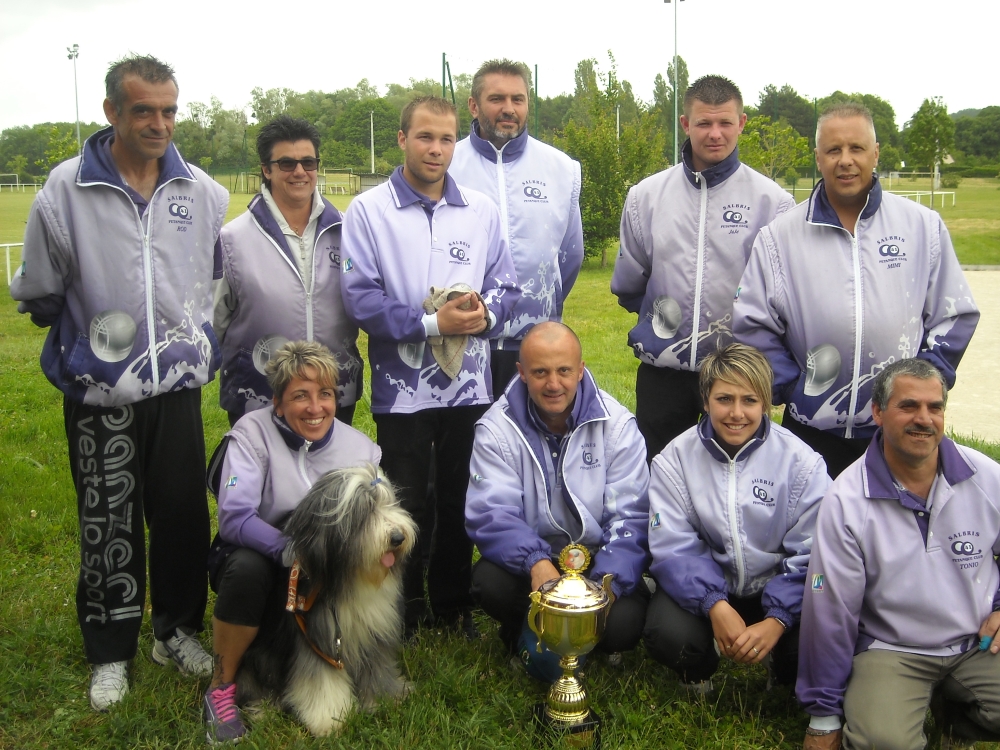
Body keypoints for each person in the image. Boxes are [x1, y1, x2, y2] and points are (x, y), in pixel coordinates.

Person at [9, 55, 228, 711]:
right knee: (109, 523)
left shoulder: (204, 192)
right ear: (113, 112)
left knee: (185, 517)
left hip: (180, 391)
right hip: (101, 395)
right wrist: (91, 347)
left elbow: (216, 284)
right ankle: (110, 651)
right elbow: (41, 291)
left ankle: (177, 631)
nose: (159, 124)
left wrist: (195, 343)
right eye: (143, 111)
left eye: (168, 111)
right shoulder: (63, 190)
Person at [340, 96, 519, 638]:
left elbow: (508, 287)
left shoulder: (482, 210)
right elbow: (360, 297)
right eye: (424, 137)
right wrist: (434, 324)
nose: (436, 149)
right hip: (403, 390)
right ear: (401, 139)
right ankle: (405, 605)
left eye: (445, 139)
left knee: (462, 492)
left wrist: (486, 312)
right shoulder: (369, 211)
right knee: (405, 497)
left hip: (469, 387)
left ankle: (452, 602)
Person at [733, 102, 979, 478]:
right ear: (818, 157)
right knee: (811, 535)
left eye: (856, 148)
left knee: (894, 533)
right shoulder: (780, 237)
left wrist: (919, 389)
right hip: (811, 432)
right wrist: (795, 388)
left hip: (895, 432)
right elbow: (752, 323)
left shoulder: (922, 227)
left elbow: (955, 313)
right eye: (833, 150)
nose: (845, 160)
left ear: (875, 152)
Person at [797, 358, 1000, 749]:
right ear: (878, 412)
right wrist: (823, 717)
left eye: (934, 407)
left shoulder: (986, 477)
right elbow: (831, 614)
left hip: (976, 643)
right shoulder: (846, 499)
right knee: (880, 742)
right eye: (908, 406)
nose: (923, 419)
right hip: (891, 649)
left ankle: (956, 718)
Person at [202, 341, 381, 743]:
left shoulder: (361, 450)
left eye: (326, 394)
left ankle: (361, 674)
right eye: (300, 395)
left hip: (330, 566)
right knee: (246, 569)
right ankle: (222, 686)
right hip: (263, 559)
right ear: (277, 403)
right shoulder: (251, 434)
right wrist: (294, 551)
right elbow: (235, 517)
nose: (316, 408)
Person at [611, 75, 795, 462]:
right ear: (685, 124)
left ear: (741, 123)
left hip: (738, 375)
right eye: (704, 123)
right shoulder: (645, 196)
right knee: (659, 473)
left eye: (725, 123)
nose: (715, 134)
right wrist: (668, 331)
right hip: (664, 374)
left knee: (737, 478)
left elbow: (782, 296)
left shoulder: (773, 202)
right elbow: (631, 284)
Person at [465, 322, 650, 678]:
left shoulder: (619, 427)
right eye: (540, 372)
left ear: (580, 369)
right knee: (487, 583)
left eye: (564, 370)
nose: (553, 384)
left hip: (597, 562)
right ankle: (533, 629)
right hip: (537, 564)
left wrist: (600, 592)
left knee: (624, 626)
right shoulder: (496, 430)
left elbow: (632, 517)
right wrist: (537, 564)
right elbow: (491, 513)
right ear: (521, 373)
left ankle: (568, 638)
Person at [643, 344, 830, 694]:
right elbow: (672, 547)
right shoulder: (675, 460)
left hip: (775, 587)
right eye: (724, 399)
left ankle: (782, 663)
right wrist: (715, 604)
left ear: (766, 403)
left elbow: (816, 551)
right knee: (667, 634)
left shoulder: (802, 463)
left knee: (819, 636)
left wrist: (778, 619)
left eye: (750, 400)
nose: (736, 413)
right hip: (713, 587)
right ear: (705, 400)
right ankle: (698, 668)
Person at [214, 116, 362, 427]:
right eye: (286, 163)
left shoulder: (349, 231)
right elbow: (214, 322)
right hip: (258, 398)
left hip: (331, 396)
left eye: (308, 162)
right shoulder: (232, 239)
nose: (299, 172)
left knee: (330, 477)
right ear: (266, 170)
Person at [450, 59, 584, 396]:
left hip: (534, 347)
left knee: (528, 445)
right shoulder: (447, 164)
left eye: (518, 99)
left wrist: (541, 302)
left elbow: (569, 257)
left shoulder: (560, 168)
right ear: (473, 105)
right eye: (496, 99)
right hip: (460, 345)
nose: (508, 109)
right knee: (465, 447)